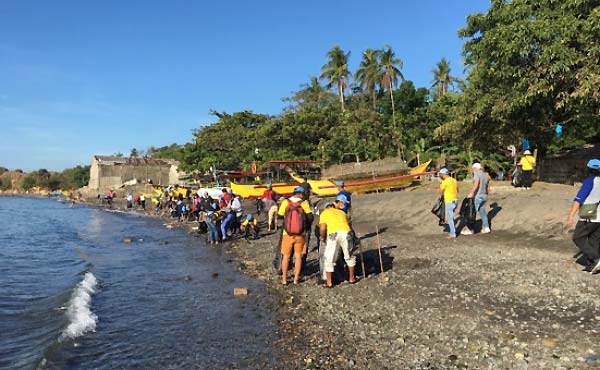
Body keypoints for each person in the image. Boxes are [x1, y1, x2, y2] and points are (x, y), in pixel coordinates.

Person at [567, 159, 600, 273]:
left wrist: (571, 215)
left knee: (578, 237)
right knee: (594, 240)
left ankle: (596, 259)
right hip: (599, 217)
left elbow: (579, 199)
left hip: (589, 214)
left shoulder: (590, 181)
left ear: (588, 169)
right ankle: (593, 266)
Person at [277, 186, 314, 285]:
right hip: (300, 234)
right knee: (298, 256)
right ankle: (296, 279)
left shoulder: (286, 202)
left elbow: (279, 215)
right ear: (301, 194)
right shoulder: (304, 203)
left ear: (294, 193)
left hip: (287, 233)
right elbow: (310, 217)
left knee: (286, 256)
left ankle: (284, 279)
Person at [319, 195, 357, 288]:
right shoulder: (342, 213)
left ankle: (329, 282)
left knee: (329, 257)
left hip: (333, 234)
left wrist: (322, 237)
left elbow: (323, 227)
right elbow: (349, 226)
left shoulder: (325, 213)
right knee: (349, 256)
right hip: (346, 232)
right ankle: (352, 278)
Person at [461, 163, 491, 235]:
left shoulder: (477, 174)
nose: (472, 170)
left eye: (473, 169)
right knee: (482, 212)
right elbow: (487, 187)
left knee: (472, 213)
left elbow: (476, 184)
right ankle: (486, 227)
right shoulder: (485, 175)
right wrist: (486, 194)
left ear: (475, 168)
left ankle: (470, 229)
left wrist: (471, 193)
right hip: (484, 196)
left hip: (478, 196)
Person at [438, 168, 458, 239]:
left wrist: (440, 183)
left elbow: (440, 191)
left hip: (449, 201)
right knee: (450, 217)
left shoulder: (445, 182)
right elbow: (457, 190)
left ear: (443, 174)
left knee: (450, 218)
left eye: (440, 174)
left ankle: (453, 233)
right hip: (455, 201)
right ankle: (453, 231)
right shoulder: (454, 180)